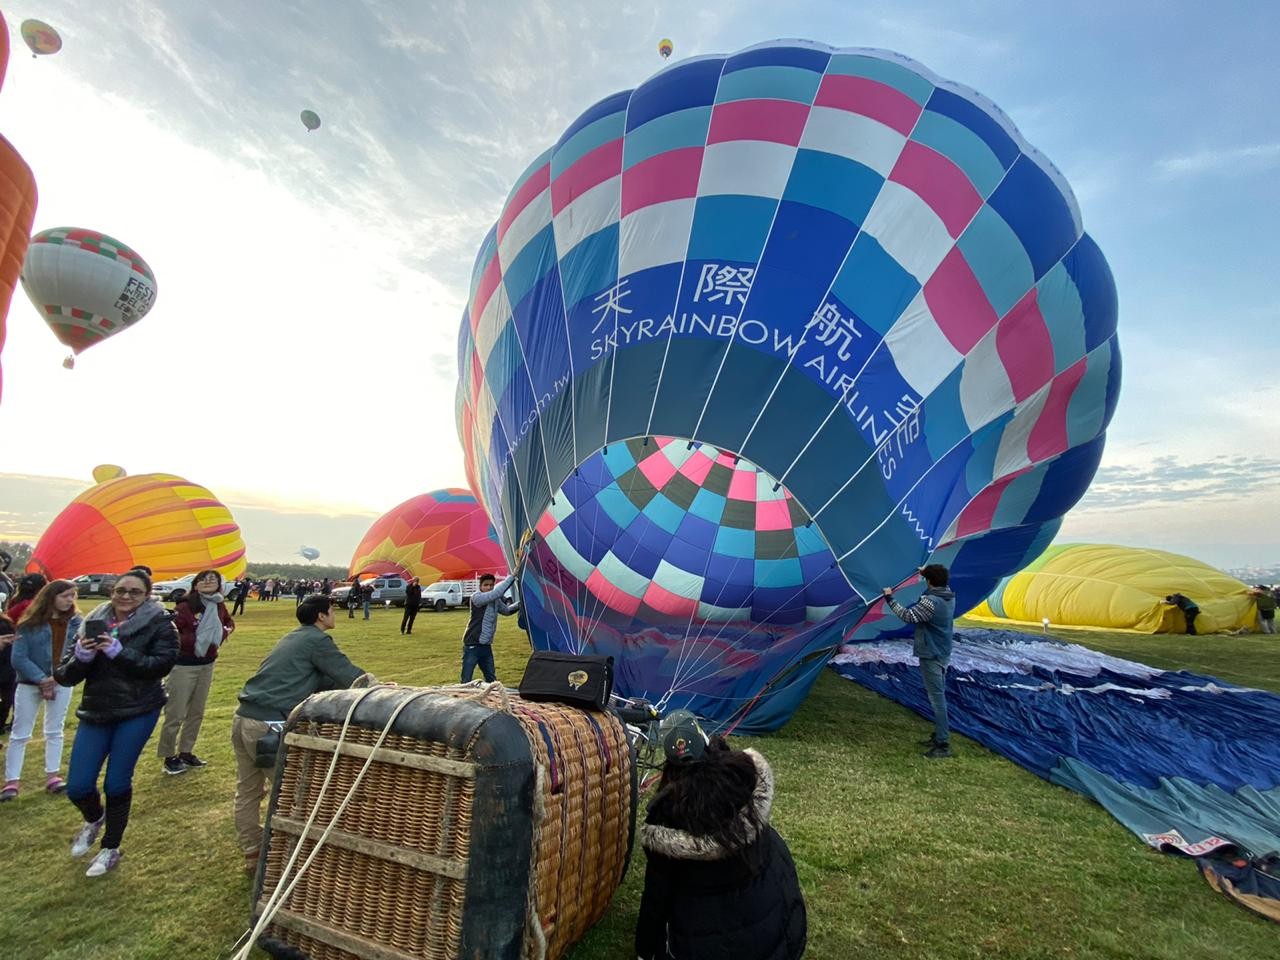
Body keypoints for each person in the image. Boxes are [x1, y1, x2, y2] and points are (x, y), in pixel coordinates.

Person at [635, 712, 806, 960]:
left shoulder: (667, 818)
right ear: (705, 741)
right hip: (779, 941)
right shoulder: (744, 780)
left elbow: (656, 900)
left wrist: (644, 951)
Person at [231, 594, 376, 877]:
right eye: (332, 610)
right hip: (268, 724)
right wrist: (381, 690)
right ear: (321, 615)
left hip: (244, 717)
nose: (334, 614)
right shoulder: (317, 640)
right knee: (293, 790)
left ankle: (253, 852)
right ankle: (292, 855)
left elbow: (318, 678)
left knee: (248, 790)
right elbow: (350, 675)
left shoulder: (293, 637)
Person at [55, 569, 178, 877]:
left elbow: (160, 666)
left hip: (138, 709)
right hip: (97, 710)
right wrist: (81, 658)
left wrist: (119, 653)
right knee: (78, 785)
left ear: (146, 596)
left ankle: (110, 847)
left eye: (134, 592)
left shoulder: (160, 623)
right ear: (111, 592)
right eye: (120, 590)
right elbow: (64, 675)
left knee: (116, 782)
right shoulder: (91, 622)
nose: (125, 596)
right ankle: (94, 818)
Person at [3, 580, 81, 800]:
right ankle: (12, 781)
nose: (69, 600)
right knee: (20, 732)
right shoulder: (29, 624)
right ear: (51, 597)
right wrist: (42, 679)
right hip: (29, 683)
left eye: (72, 596)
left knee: (55, 729)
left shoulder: (76, 623)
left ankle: (53, 776)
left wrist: (58, 677)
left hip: (61, 681)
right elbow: (19, 657)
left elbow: (77, 653)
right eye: (64, 596)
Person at [158, 570, 234, 775]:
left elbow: (228, 622)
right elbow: (173, 634)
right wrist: (198, 637)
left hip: (207, 663)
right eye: (204, 579)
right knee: (176, 712)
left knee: (196, 712)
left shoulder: (218, 604)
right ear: (195, 584)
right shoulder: (184, 606)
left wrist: (223, 632)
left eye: (213, 579)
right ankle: (169, 756)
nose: (208, 582)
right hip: (184, 665)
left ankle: (186, 751)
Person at [882, 564, 957, 759]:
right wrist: (927, 572)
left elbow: (908, 616)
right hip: (942, 651)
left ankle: (943, 743)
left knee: (937, 699)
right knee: (938, 696)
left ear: (929, 581)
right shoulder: (949, 595)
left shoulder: (931, 602)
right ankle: (939, 736)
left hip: (932, 653)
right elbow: (937, 584)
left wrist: (889, 598)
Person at [461, 572, 520, 682]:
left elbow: (507, 611)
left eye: (491, 585)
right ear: (480, 586)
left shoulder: (495, 600)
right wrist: (512, 576)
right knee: (466, 679)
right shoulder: (476, 597)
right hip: (472, 645)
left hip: (486, 646)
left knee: (491, 679)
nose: (489, 587)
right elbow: (497, 593)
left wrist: (521, 604)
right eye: (486, 585)